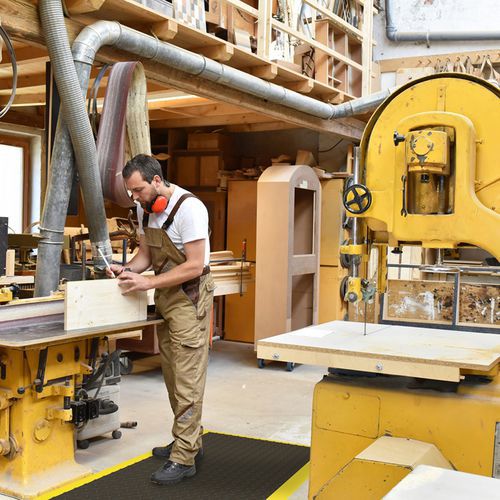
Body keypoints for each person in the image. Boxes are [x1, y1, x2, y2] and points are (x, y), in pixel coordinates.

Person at [108, 154, 215, 485]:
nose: (135, 198)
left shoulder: (190, 209)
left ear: (156, 180)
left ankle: (184, 458)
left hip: (190, 297)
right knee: (172, 373)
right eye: (131, 193)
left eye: (138, 190)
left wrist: (148, 283)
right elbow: (146, 254)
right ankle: (188, 440)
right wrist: (127, 270)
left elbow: (194, 265)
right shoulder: (145, 209)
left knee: (187, 378)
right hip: (167, 295)